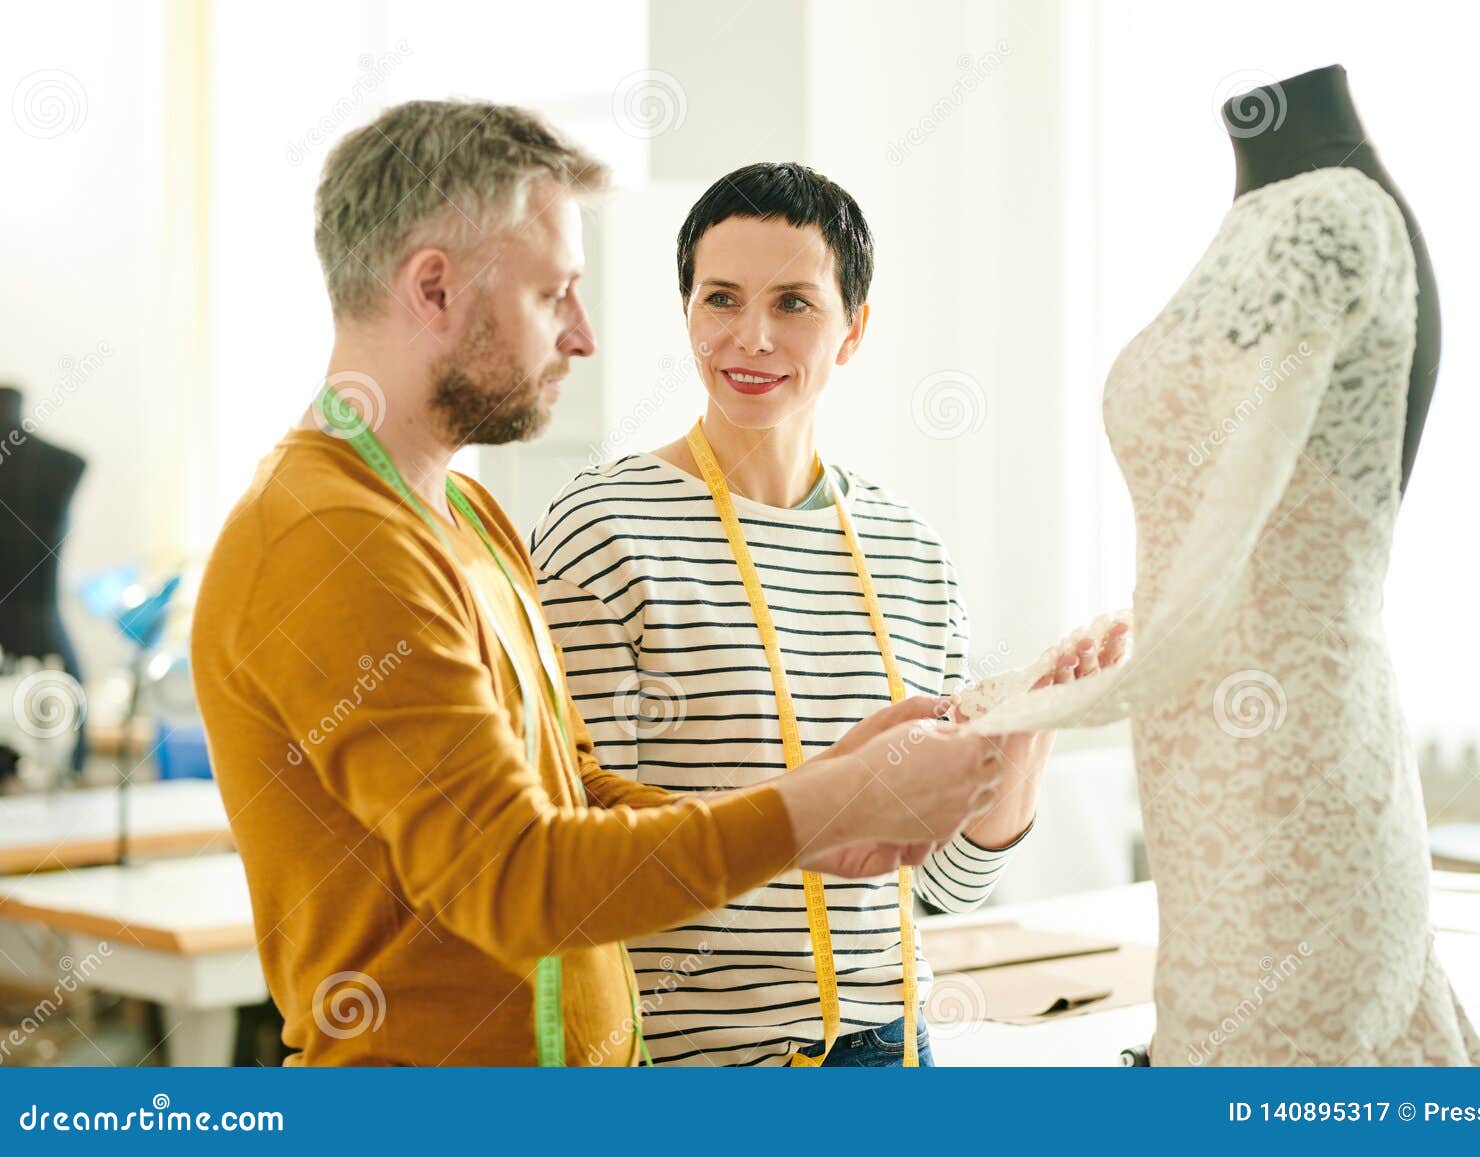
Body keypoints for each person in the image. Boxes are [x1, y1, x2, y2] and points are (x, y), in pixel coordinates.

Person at [190, 103, 1004, 1067]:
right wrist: (822, 809)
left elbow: (575, 795)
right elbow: (516, 874)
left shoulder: (467, 518)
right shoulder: (325, 537)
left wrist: (827, 797)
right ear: (435, 290)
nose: (583, 336)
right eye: (554, 295)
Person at [531, 162, 1127, 1066]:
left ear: (853, 330)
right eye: (721, 298)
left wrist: (1028, 724)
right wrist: (808, 812)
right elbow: (578, 856)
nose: (752, 337)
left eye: (795, 303)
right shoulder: (603, 529)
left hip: (895, 1051)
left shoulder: (910, 551)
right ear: (687, 313)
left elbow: (947, 884)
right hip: (700, 1065)